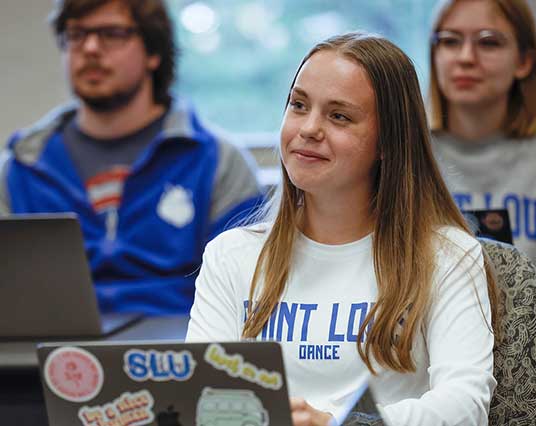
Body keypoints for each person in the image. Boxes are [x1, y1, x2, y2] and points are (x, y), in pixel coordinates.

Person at [186, 32, 500, 426]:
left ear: (389, 141)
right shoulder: (230, 255)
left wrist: (335, 423)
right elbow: (201, 404)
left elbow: (466, 407)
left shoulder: (448, 256)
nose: (309, 128)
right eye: (299, 105)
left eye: (339, 116)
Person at [0, 0, 263, 315]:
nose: (91, 48)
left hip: (181, 352)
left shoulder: (219, 161)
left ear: (153, 53)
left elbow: (246, 298)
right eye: (77, 34)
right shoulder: (21, 167)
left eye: (112, 34)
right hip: (49, 354)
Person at [428, 0, 536, 313]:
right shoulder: (406, 146)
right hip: (430, 342)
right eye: (450, 41)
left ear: (524, 61)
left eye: (488, 42)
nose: (466, 58)